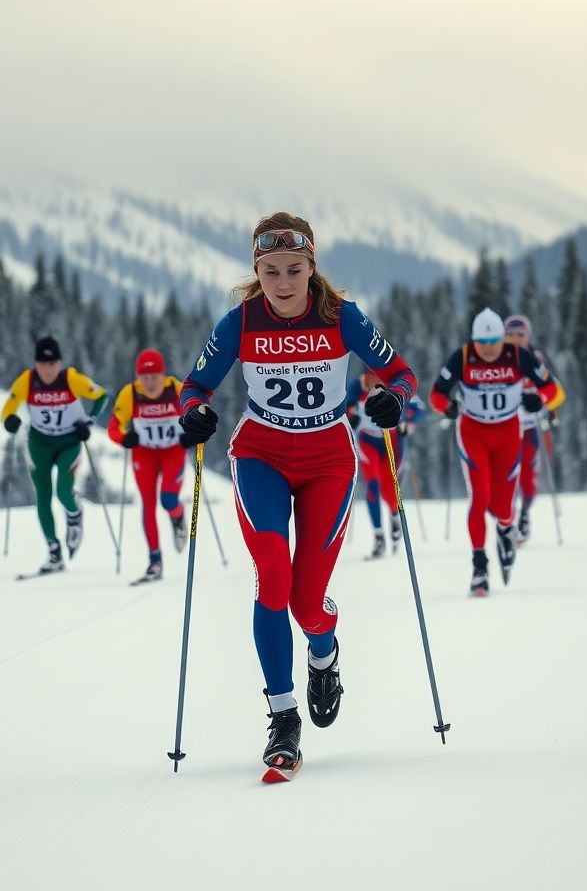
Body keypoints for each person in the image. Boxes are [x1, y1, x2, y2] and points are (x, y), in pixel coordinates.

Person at [178, 212, 417, 778]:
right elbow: (194, 387)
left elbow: (401, 373)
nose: (282, 284)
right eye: (270, 272)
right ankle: (283, 719)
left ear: (312, 268)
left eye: (293, 270)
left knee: (307, 604)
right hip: (260, 454)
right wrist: (195, 413)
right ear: (255, 273)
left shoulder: (342, 317)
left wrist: (393, 400)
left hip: (329, 460)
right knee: (272, 576)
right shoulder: (239, 323)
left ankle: (325, 654)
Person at [430, 308, 565, 596]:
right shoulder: (463, 356)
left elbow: (552, 390)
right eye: (483, 342)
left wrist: (537, 400)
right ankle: (479, 565)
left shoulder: (517, 356)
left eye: (494, 341)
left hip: (507, 435)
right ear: (474, 339)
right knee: (479, 499)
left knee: (504, 506)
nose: (489, 349)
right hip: (473, 433)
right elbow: (436, 394)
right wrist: (447, 407)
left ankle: (506, 530)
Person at [0, 337, 107, 573]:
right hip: (39, 444)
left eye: (52, 364)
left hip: (69, 443)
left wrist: (89, 421)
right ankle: (54, 551)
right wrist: (9, 420)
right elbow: (8, 408)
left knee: (62, 492)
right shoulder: (27, 381)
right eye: (42, 364)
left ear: (59, 363)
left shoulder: (71, 379)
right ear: (36, 364)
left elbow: (101, 396)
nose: (47, 370)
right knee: (43, 497)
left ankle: (74, 511)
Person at [108, 348, 190, 585]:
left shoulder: (175, 389)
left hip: (173, 451)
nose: (150, 383)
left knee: (168, 499)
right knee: (148, 504)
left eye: (154, 377)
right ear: (138, 378)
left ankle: (178, 517)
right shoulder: (130, 394)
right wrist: (125, 438)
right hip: (144, 454)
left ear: (163, 375)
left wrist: (191, 436)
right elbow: (114, 428)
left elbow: (196, 416)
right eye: (145, 378)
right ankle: (155, 561)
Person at [346, 369, 425, 558]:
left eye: (381, 377)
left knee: (390, 491)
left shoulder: (395, 384)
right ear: (367, 375)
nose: (377, 382)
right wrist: (351, 419)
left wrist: (409, 422)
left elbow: (419, 409)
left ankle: (395, 518)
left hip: (392, 441)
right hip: (367, 441)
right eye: (373, 377)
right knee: (373, 486)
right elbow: (344, 408)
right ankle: (379, 537)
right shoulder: (359, 385)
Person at [503, 314, 561, 546]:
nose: (516, 340)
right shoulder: (498, 357)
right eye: (510, 335)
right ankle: (508, 519)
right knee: (507, 476)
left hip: (528, 428)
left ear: (528, 337)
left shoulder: (535, 359)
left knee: (527, 476)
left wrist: (545, 404)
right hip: (504, 429)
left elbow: (553, 390)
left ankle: (524, 515)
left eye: (520, 335)